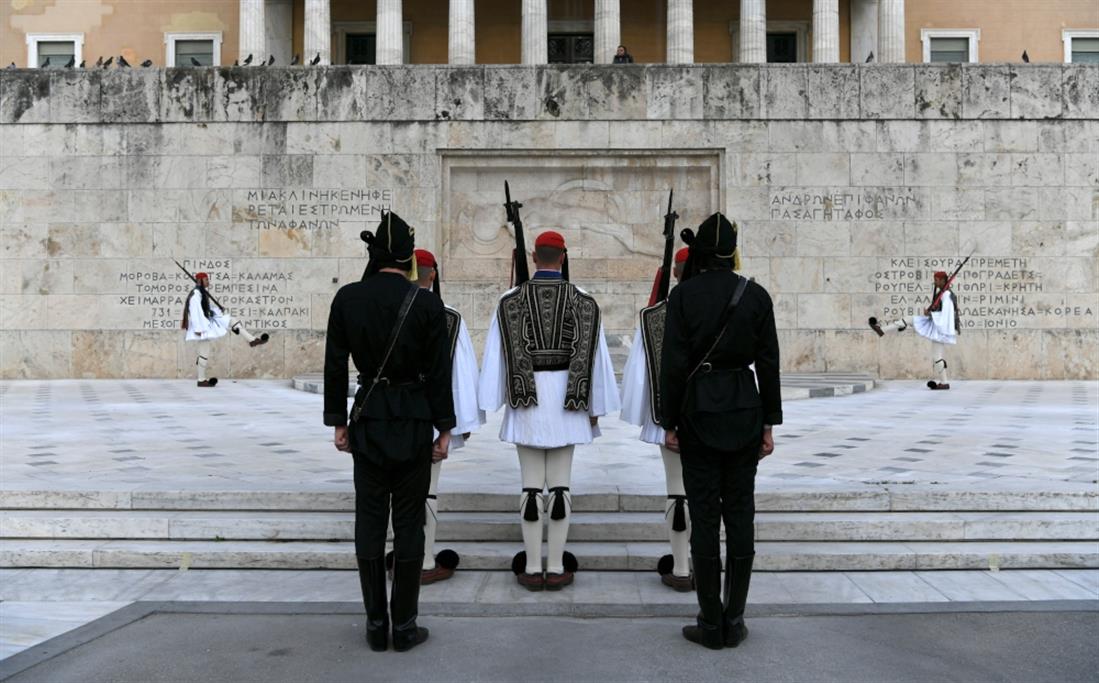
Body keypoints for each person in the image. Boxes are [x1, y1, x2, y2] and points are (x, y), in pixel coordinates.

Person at [324, 212, 455, 653]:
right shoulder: (427, 303)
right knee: (409, 523)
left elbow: (334, 368)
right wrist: (445, 428)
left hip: (370, 420)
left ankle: (375, 625)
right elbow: (439, 373)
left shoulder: (348, 298)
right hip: (415, 420)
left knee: (370, 520)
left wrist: (338, 423)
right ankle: (405, 626)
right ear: (407, 258)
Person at [660, 213, 782, 650]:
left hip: (698, 414)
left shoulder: (684, 296)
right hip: (744, 409)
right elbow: (768, 364)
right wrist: (769, 422)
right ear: (731, 252)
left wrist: (668, 421)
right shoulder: (756, 296)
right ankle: (736, 618)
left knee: (706, 516)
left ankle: (710, 622)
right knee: (741, 514)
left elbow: (672, 365)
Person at [478, 231, 619, 591]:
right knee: (559, 487)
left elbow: (496, 356)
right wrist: (595, 407)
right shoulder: (584, 301)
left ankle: (529, 566)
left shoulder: (509, 301)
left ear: (533, 255)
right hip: (568, 404)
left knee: (529, 488)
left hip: (527, 402)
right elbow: (597, 360)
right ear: (564, 256)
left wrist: (490, 401)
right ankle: (555, 567)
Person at [621, 247, 694, 591]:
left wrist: (652, 418)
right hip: (721, 416)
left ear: (675, 272)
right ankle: (705, 564)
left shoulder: (656, 316)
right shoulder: (728, 306)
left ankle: (680, 568)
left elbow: (641, 372)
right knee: (710, 495)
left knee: (677, 493)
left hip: (674, 418)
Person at [413, 248, 485, 585]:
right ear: (433, 275)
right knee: (427, 490)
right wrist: (458, 425)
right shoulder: (449, 317)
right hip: (428, 421)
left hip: (386, 421)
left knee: (395, 493)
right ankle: (425, 560)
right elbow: (461, 376)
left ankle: (403, 556)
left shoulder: (380, 309)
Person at [869, 270, 959, 390]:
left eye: (936, 280)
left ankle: (944, 382)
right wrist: (930, 312)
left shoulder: (947, 295)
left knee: (936, 357)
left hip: (941, 328)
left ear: (943, 280)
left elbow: (946, 315)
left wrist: (930, 314)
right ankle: (882, 330)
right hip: (937, 325)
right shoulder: (941, 293)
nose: (935, 282)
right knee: (911, 319)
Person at [180, 272, 268, 387]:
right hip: (201, 326)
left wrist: (217, 311)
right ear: (200, 281)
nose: (208, 282)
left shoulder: (201, 293)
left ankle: (251, 340)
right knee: (204, 352)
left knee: (231, 320)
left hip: (205, 323)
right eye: (206, 280)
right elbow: (195, 313)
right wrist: (198, 329)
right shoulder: (195, 295)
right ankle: (201, 380)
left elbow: (207, 309)